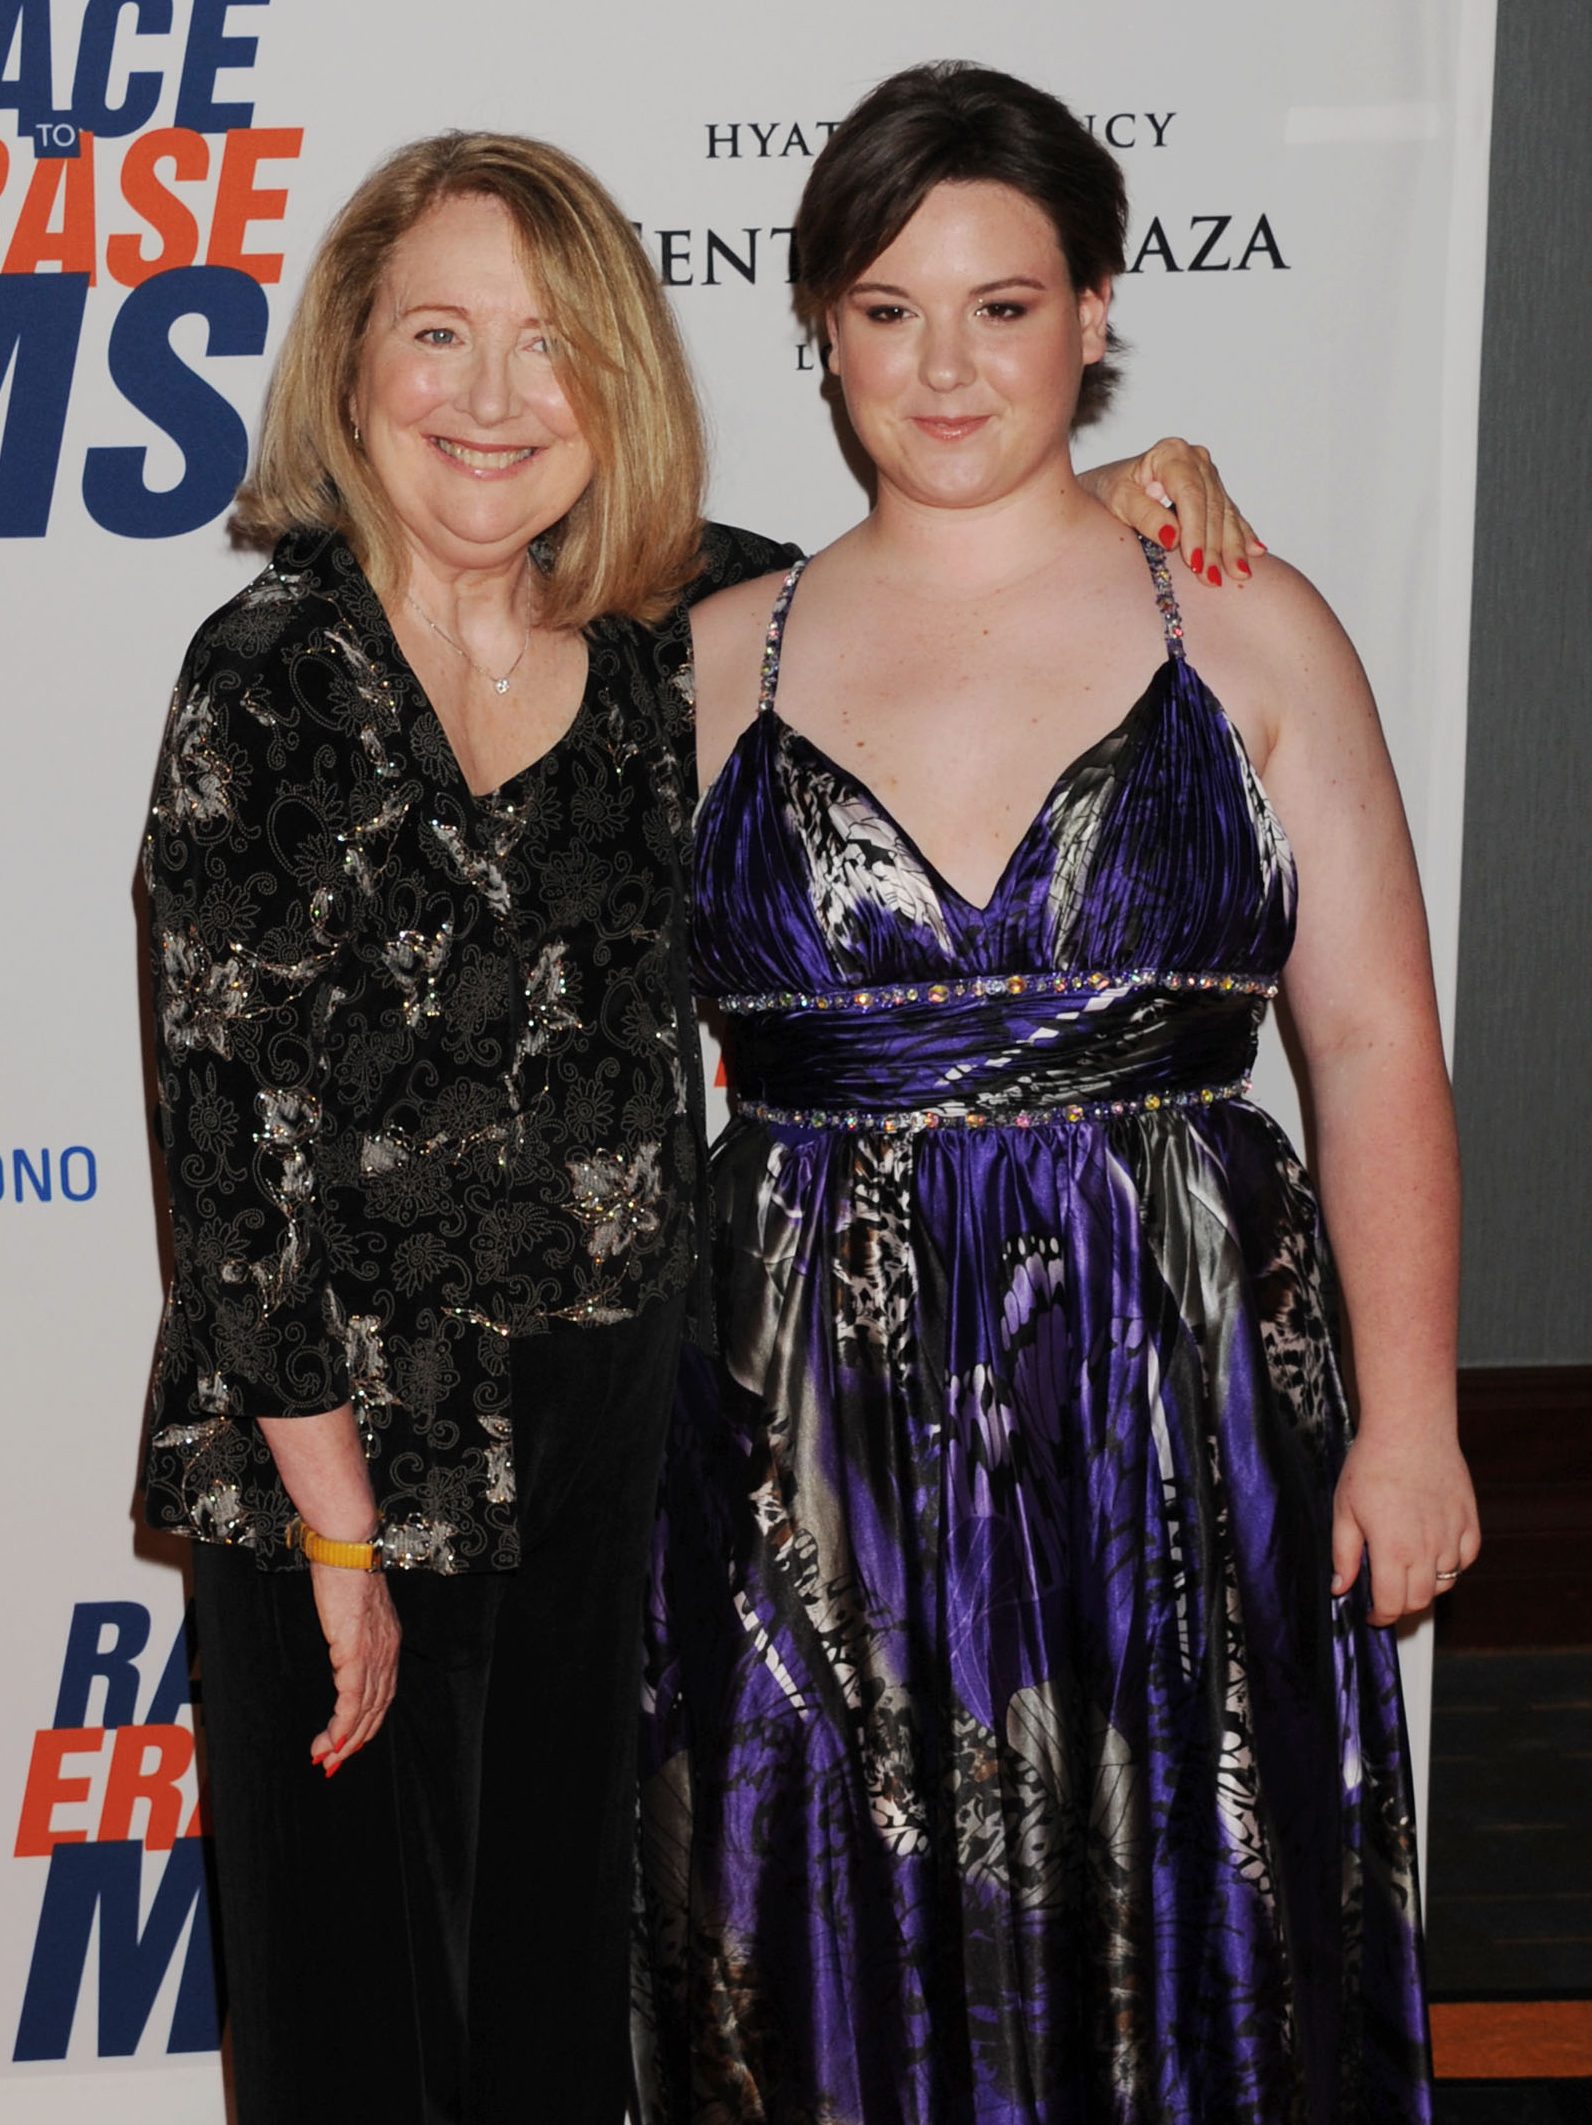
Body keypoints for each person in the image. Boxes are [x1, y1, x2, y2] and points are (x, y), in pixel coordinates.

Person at [140, 126, 1247, 2123]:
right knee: (360, 2013)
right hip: (338, 1438)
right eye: (439, 336)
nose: (494, 399)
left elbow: (927, 556)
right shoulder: (268, 676)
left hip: (633, 1428)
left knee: (585, 2010)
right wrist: (334, 1530)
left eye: (550, 344)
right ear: (351, 361)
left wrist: (1106, 486)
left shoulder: (687, 633)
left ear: (616, 386)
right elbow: (227, 1134)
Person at [634, 61, 1480, 2125]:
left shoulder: (1246, 620)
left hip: (1179, 1392)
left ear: (1095, 311)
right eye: (889, 309)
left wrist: (1415, 1421)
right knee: (814, 1964)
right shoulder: (706, 653)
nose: (945, 367)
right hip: (805, 1432)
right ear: (821, 324)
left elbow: (1374, 1038)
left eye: (1001, 306)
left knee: (1200, 1943)